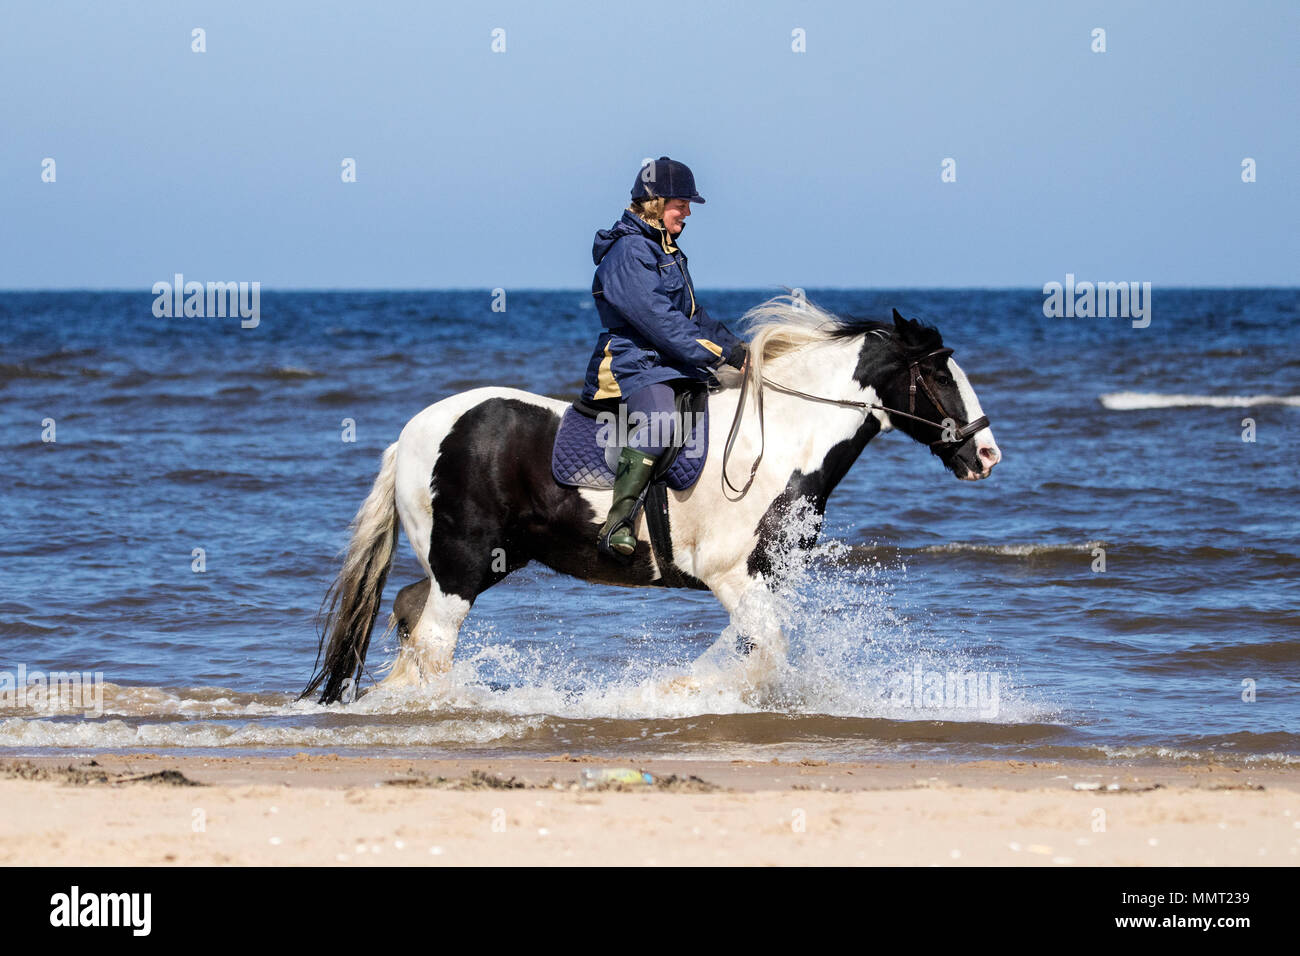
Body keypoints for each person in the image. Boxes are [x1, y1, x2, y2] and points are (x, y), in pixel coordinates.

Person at [581, 156, 748, 557]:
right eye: (681, 203)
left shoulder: (665, 248)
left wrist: (739, 350)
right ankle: (617, 523)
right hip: (630, 363)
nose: (688, 211)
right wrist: (716, 355)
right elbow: (660, 322)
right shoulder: (628, 252)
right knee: (660, 421)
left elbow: (691, 316)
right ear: (656, 202)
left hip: (665, 361)